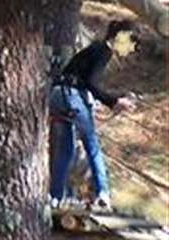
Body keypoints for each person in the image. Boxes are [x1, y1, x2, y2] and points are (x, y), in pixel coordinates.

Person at [50, 20, 138, 212]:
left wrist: (110, 100)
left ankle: (55, 198)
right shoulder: (104, 51)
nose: (131, 48)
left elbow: (84, 80)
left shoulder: (94, 49)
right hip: (71, 97)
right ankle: (103, 195)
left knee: (65, 151)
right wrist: (114, 102)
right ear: (120, 38)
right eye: (131, 42)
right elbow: (91, 83)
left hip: (57, 95)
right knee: (93, 147)